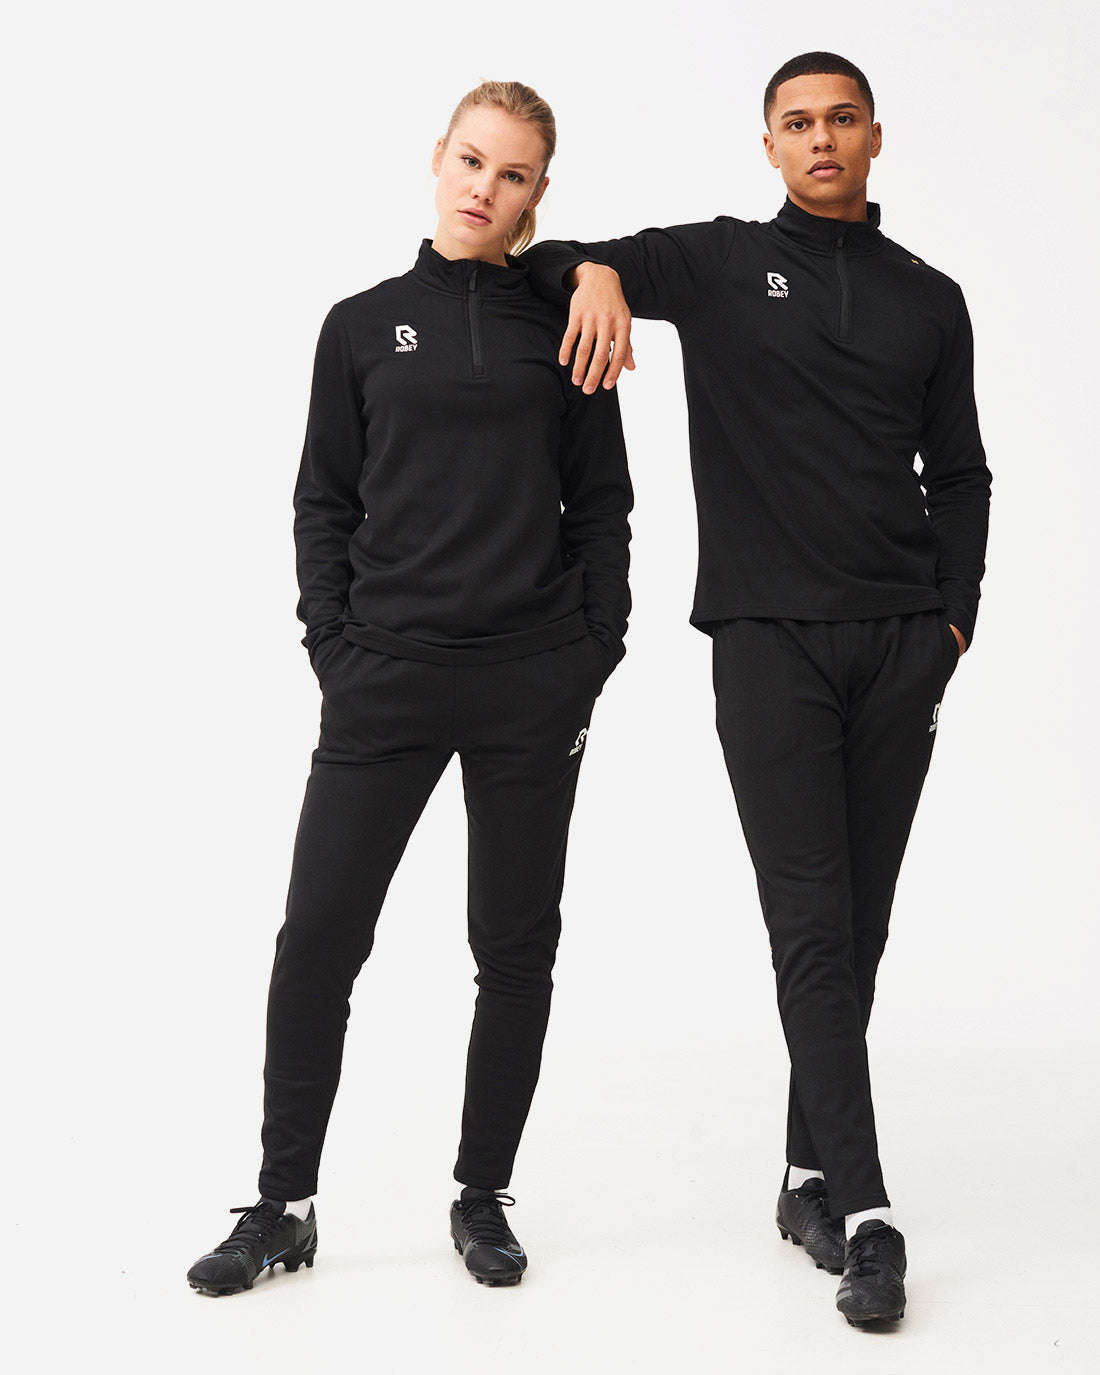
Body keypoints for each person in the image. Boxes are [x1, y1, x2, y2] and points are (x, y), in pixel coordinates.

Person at [523, 51, 991, 1326]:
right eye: (796, 122)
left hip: (898, 642)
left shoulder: (927, 298)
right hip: (768, 642)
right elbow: (550, 252)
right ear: (769, 144)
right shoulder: (722, 263)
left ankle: (803, 1177)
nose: (819, 138)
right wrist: (598, 273)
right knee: (810, 926)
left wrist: (952, 618)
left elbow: (957, 471)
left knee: (859, 926)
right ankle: (870, 1215)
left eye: (840, 119)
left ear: (874, 138)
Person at [186, 80, 632, 1296]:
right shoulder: (359, 325)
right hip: (383, 680)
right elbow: (323, 501)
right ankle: (281, 1203)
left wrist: (589, 651)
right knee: (318, 940)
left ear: (538, 194)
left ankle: (481, 1195)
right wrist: (335, 645)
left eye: (513, 173)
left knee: (515, 948)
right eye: (472, 160)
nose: (485, 187)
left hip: (529, 683)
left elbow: (601, 505)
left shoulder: (566, 325)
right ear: (438, 159)